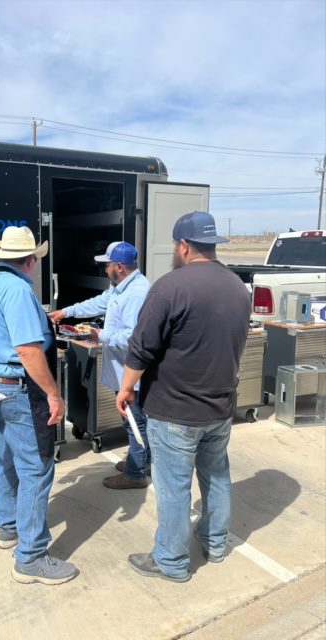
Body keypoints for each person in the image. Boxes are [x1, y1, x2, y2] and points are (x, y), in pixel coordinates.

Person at [116, 211, 251, 583]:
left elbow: (141, 349)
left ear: (184, 245)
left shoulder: (170, 287)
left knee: (174, 487)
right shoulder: (239, 288)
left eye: (178, 245)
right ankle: (216, 541)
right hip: (220, 408)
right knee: (216, 475)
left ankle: (172, 562)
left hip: (175, 411)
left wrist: (126, 388)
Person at [0, 225, 78, 585]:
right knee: (36, 467)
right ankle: (31, 558)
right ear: (31, 260)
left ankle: (9, 528)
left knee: (5, 460)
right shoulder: (18, 291)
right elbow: (28, 350)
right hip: (20, 388)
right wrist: (53, 394)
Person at [50, 241, 151, 489]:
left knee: (135, 421)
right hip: (123, 371)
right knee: (132, 420)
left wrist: (98, 336)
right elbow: (98, 302)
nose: (104, 270)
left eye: (106, 265)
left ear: (119, 267)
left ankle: (137, 473)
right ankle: (139, 461)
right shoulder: (121, 287)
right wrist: (65, 312)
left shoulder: (137, 293)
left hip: (132, 373)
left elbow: (133, 338)